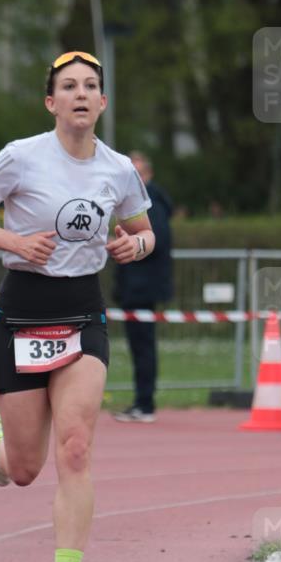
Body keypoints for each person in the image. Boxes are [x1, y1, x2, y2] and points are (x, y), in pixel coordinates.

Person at [0, 50, 154, 562]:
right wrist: (15, 244)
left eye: (91, 85)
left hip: (82, 314)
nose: (81, 94)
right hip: (20, 314)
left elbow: (146, 233)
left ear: (103, 102)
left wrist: (133, 246)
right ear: (52, 102)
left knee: (76, 447)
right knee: (23, 469)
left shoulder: (117, 169)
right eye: (70, 86)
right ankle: (2, 441)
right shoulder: (20, 156)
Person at [113, 151, 173, 423]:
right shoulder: (134, 203)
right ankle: (141, 401)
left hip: (143, 288)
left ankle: (145, 403)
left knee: (144, 346)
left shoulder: (153, 204)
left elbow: (154, 240)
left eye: (135, 174)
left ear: (147, 175)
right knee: (138, 347)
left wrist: (133, 245)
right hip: (132, 288)